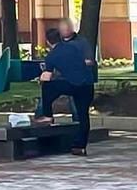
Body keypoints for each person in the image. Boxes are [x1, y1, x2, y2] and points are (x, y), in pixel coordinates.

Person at [37, 18, 97, 153]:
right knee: (83, 115)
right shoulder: (75, 45)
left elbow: (46, 76)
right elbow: (86, 61)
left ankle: (47, 115)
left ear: (48, 42)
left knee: (47, 86)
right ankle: (79, 146)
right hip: (87, 83)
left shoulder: (51, 55)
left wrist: (41, 78)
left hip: (71, 84)